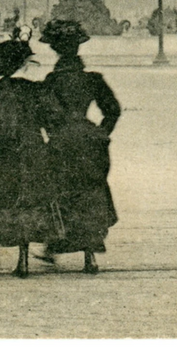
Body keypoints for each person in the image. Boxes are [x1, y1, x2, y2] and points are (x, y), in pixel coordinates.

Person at [0, 38, 64, 278]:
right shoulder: (36, 90)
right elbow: (52, 119)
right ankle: (23, 260)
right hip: (30, 150)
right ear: (22, 64)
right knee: (27, 199)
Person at [37, 19, 119, 274]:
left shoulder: (51, 81)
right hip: (91, 140)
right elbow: (113, 110)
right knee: (91, 193)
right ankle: (90, 254)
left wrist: (54, 133)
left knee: (60, 191)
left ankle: (54, 243)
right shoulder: (93, 79)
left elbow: (43, 114)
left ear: (56, 50)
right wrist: (100, 133)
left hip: (63, 141)